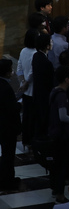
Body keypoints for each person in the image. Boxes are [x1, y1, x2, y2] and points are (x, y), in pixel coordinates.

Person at [48, 66, 69, 203]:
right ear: (66, 79)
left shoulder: (55, 91)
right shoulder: (62, 95)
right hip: (62, 135)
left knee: (56, 164)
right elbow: (63, 116)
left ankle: (55, 189)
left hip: (55, 133)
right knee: (62, 165)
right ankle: (60, 194)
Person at [0, 59, 21, 192]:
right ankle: (7, 182)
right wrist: (19, 105)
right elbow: (11, 108)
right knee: (8, 156)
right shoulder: (6, 88)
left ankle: (7, 179)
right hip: (8, 127)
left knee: (6, 155)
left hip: (2, 125)